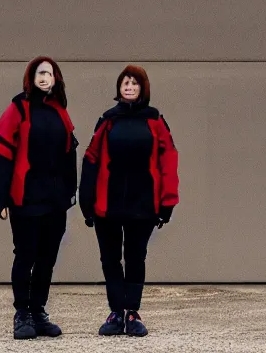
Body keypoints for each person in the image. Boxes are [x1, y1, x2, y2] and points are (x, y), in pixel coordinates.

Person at [79, 65, 179, 337]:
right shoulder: (108, 120)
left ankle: (133, 313)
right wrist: (85, 202)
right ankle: (115, 313)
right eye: (125, 82)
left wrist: (167, 202)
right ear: (119, 88)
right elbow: (90, 159)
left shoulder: (156, 120)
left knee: (136, 258)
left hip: (143, 205)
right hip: (107, 206)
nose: (129, 86)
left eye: (134, 83)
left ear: (142, 88)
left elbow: (169, 160)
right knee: (110, 260)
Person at [0, 56, 78, 340]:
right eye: (39, 73)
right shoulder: (18, 108)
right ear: (31, 77)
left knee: (47, 258)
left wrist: (70, 191)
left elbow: (69, 152)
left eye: (49, 73)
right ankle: (22, 313)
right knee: (25, 255)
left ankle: (38, 311)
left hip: (54, 200)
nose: (44, 77)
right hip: (25, 197)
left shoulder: (60, 111)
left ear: (55, 79)